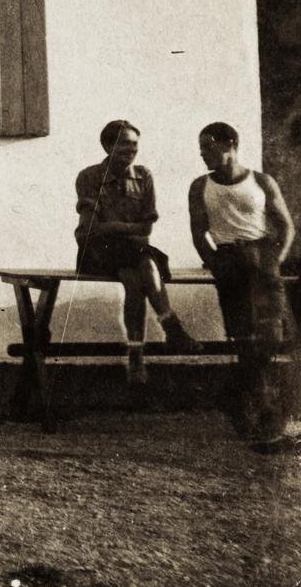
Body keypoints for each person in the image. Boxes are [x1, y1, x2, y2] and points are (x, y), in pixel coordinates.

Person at [189, 122, 297, 453]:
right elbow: (198, 233)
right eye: (201, 147)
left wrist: (275, 259)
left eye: (208, 146)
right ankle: (267, 425)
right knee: (245, 340)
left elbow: (286, 226)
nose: (203, 152)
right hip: (229, 263)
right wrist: (216, 262)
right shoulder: (200, 186)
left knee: (271, 338)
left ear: (230, 144)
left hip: (262, 260)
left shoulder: (261, 181)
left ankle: (233, 398)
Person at [75, 119, 201, 383]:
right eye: (123, 144)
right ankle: (171, 328)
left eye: (134, 144)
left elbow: (146, 229)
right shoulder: (89, 177)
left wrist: (113, 226)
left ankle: (136, 358)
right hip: (96, 250)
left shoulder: (144, 176)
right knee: (142, 263)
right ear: (108, 146)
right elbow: (91, 228)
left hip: (132, 249)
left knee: (136, 280)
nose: (131, 150)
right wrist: (126, 227)